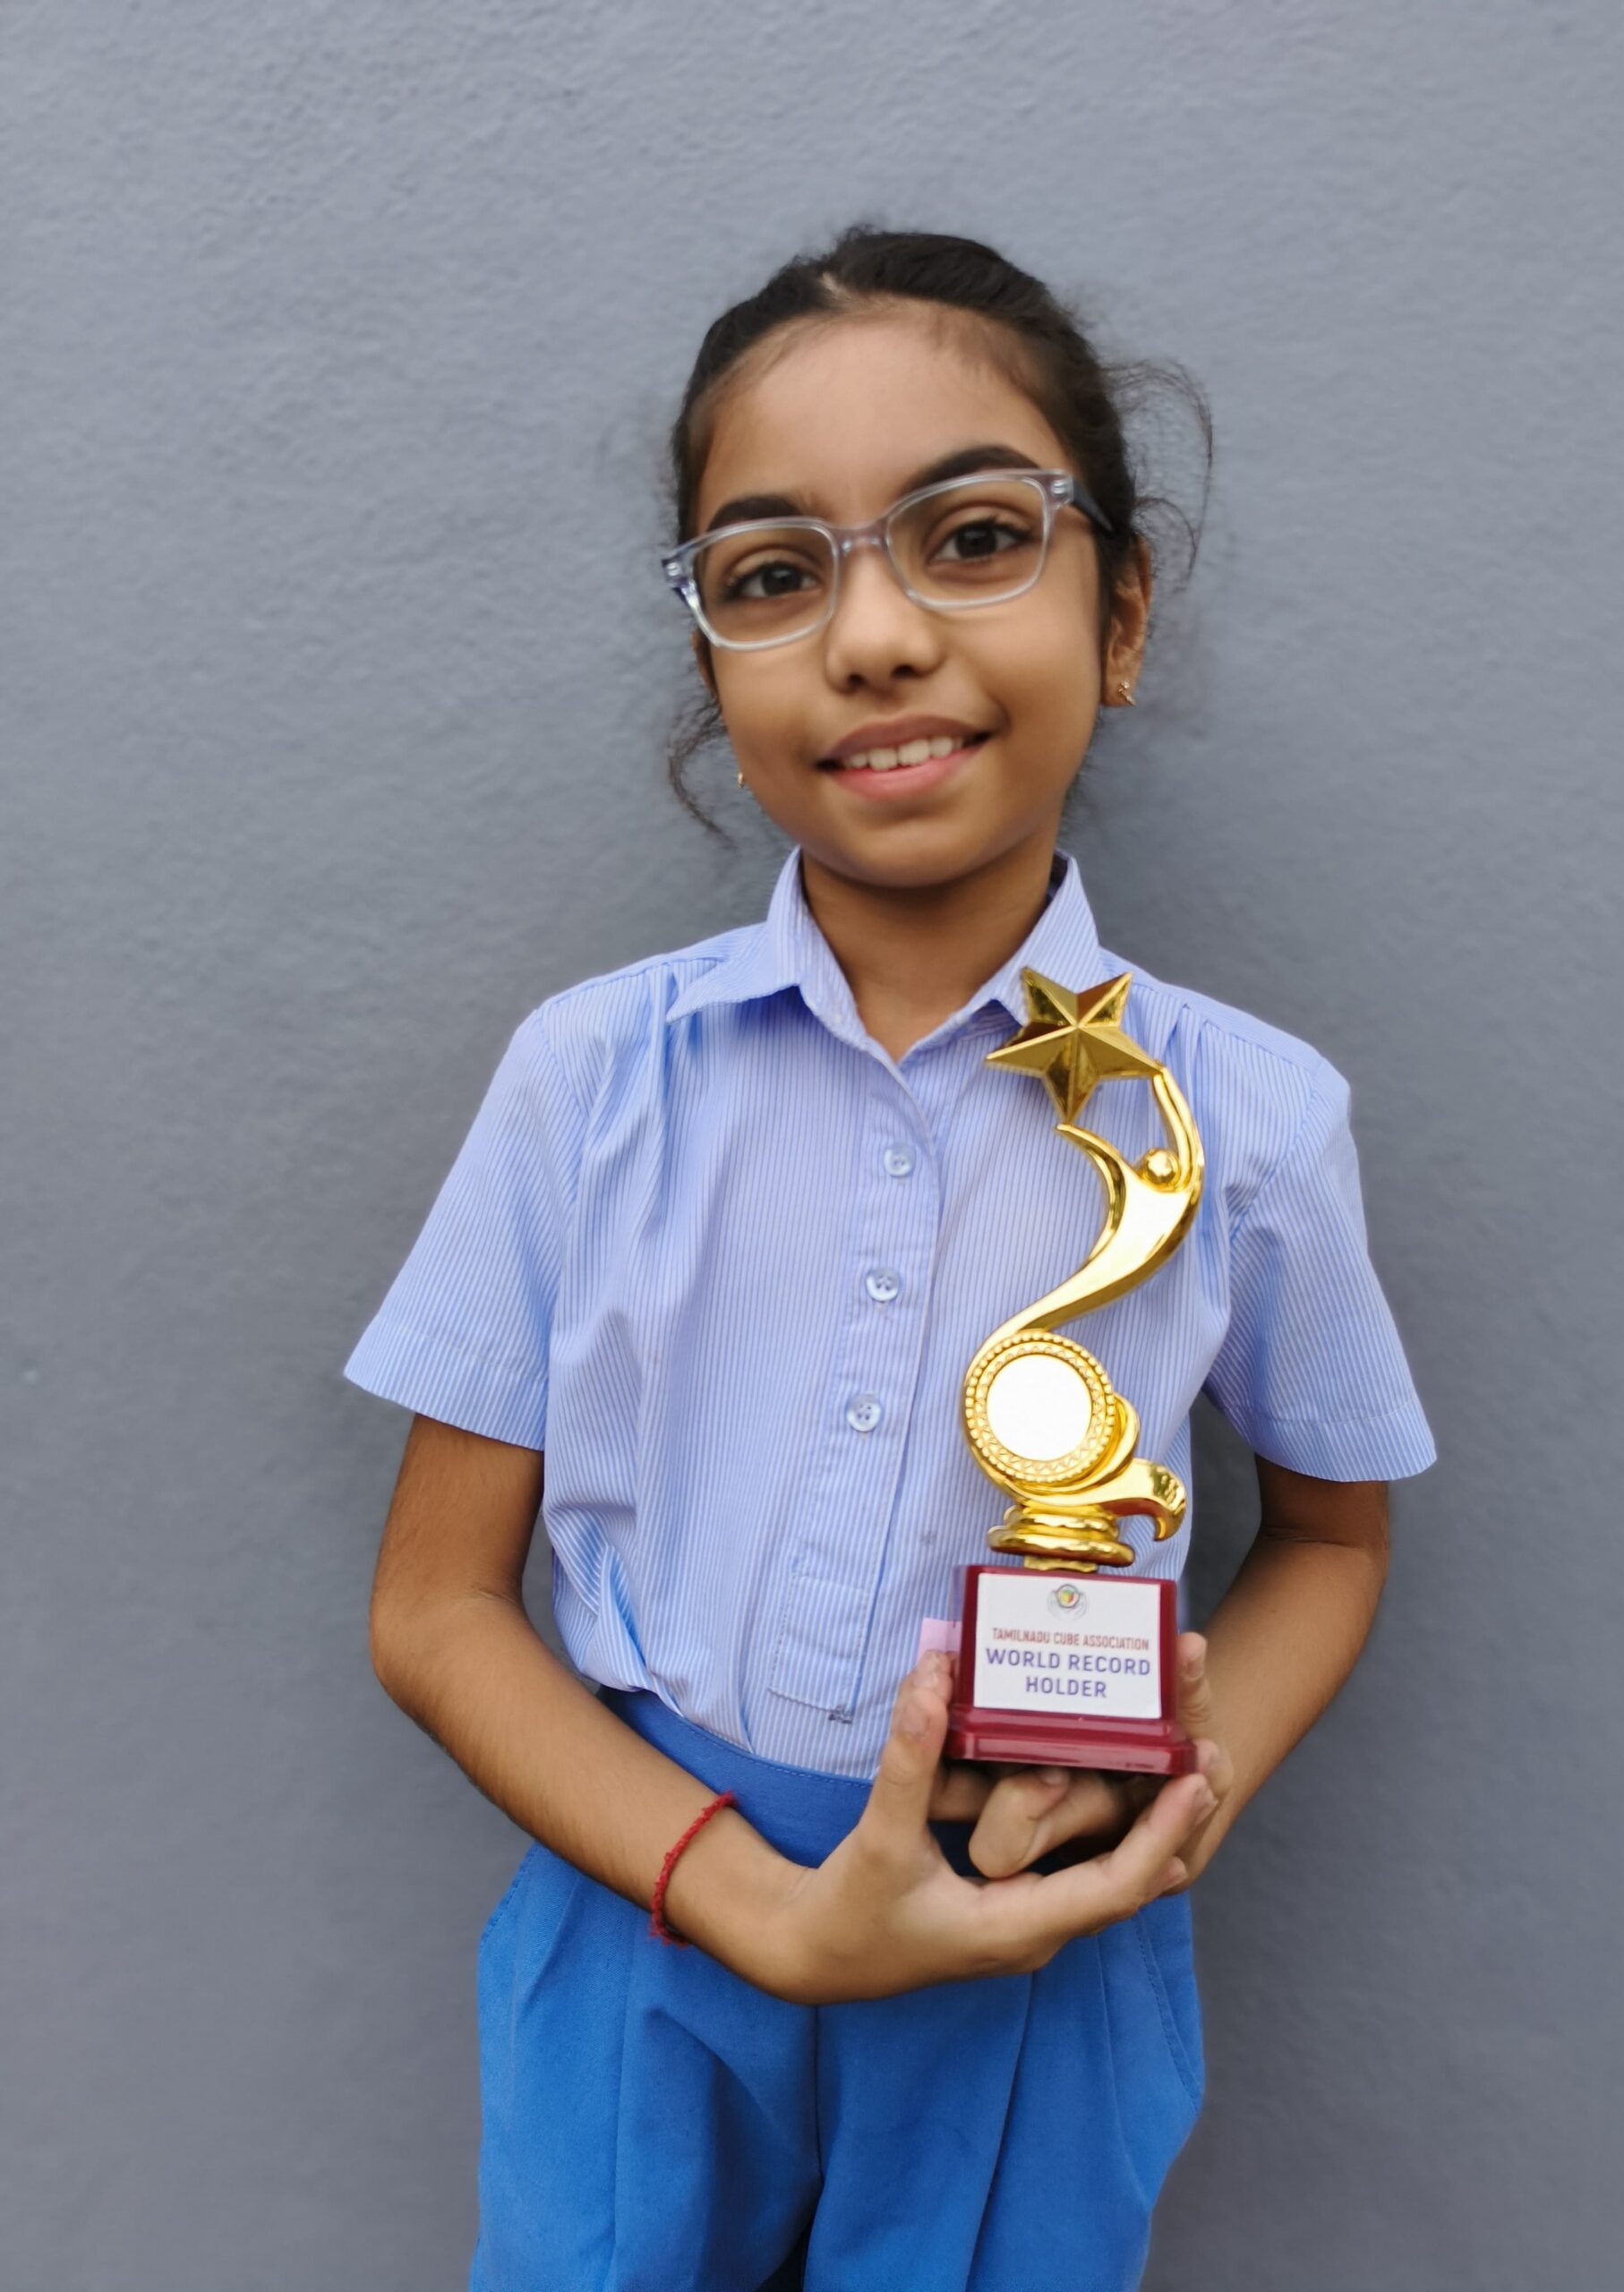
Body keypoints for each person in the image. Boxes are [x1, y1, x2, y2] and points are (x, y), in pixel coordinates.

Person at [344, 225, 1436, 2292]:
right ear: (714, 664)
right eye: (773, 573)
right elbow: (431, 1605)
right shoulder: (591, 1078)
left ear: (1122, 610)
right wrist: (750, 1900)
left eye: (976, 537)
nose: (873, 636)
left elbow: (1333, 1536)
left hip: (1036, 1950)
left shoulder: (1253, 1117)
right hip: (649, 1926)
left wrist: (1184, 1784)